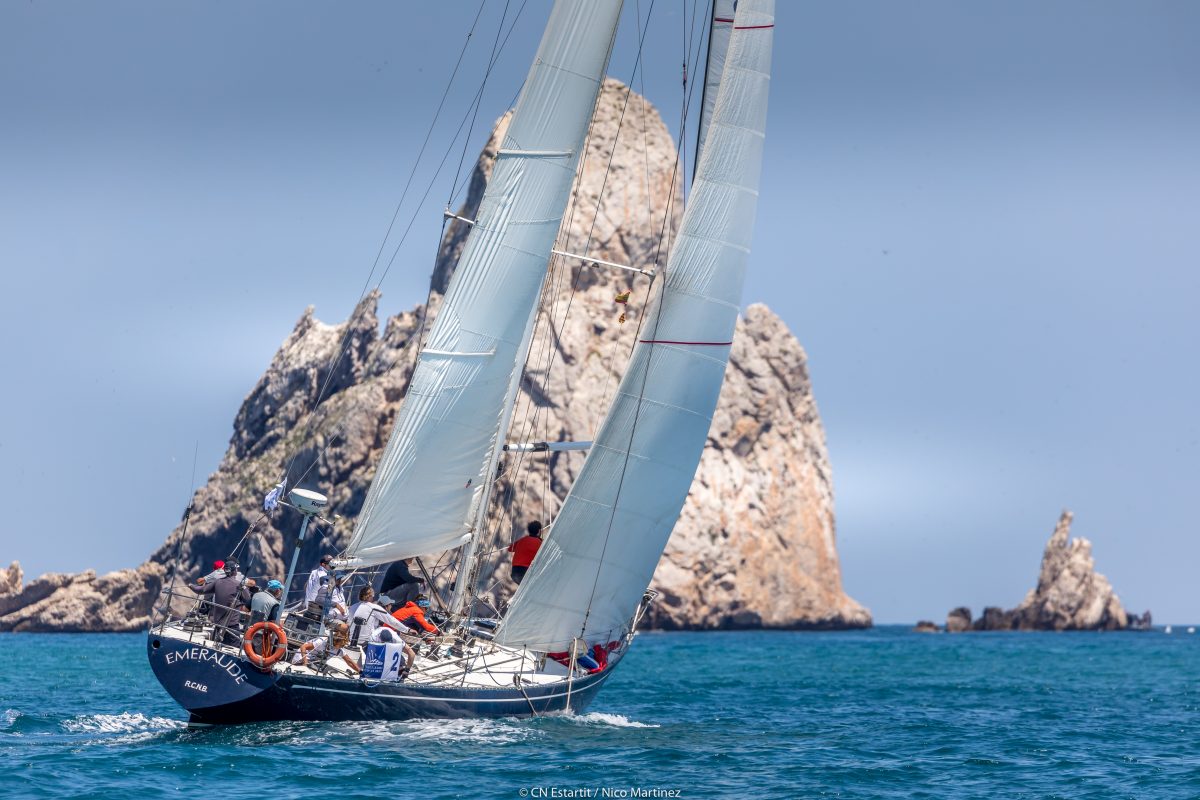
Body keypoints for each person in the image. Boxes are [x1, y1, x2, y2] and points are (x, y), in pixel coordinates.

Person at [189, 560, 252, 646]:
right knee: (234, 648)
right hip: (232, 626)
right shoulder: (240, 585)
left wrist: (190, 585)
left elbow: (201, 590)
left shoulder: (217, 582)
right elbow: (249, 601)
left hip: (218, 625)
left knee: (217, 645)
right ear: (234, 572)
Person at [291, 621, 360, 673]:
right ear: (335, 641)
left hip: (313, 664)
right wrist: (305, 663)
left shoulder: (339, 650)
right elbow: (303, 647)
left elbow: (349, 661)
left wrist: (360, 672)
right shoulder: (322, 642)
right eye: (340, 645)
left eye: (342, 645)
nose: (341, 647)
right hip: (300, 660)